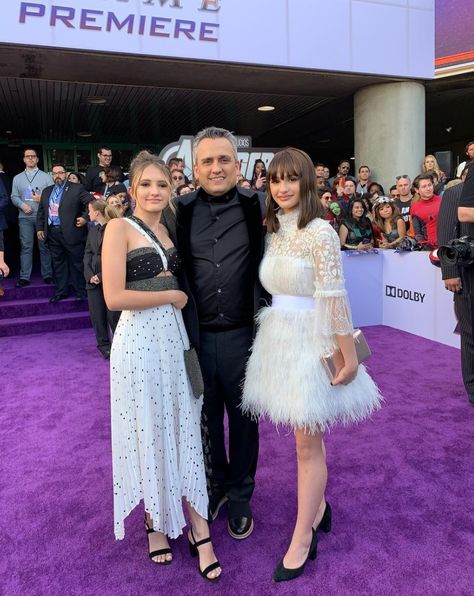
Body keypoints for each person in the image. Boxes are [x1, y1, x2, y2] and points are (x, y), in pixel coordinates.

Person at [241, 147, 382, 582]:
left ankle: (303, 537)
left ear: (307, 182)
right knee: (304, 439)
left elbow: (334, 296)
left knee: (306, 442)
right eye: (275, 180)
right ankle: (319, 508)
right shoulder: (274, 229)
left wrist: (349, 356)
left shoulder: (320, 231)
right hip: (277, 338)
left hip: (311, 339)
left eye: (291, 179)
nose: (282, 188)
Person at [102, 151, 221, 581]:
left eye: (163, 185)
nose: (155, 192)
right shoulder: (118, 228)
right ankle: (156, 523)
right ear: (132, 189)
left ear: (171, 191)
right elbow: (114, 297)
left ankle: (197, 526)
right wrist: (169, 296)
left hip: (175, 341)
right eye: (146, 184)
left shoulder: (169, 229)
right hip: (137, 345)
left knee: (186, 427)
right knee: (149, 429)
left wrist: (177, 304)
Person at [170, 127, 265, 540]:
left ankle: (241, 496)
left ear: (238, 163)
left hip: (246, 335)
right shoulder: (181, 209)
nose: (216, 167)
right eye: (207, 161)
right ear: (195, 167)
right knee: (204, 421)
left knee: (245, 421)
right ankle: (216, 486)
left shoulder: (257, 204)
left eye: (223, 159)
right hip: (197, 338)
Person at [437, 166, 474, 405]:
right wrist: (449, 272)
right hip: (468, 271)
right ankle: (472, 386)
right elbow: (445, 233)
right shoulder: (455, 193)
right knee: (470, 331)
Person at [36, 164, 92, 302]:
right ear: (52, 175)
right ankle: (61, 292)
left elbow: (92, 202)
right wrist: (39, 228)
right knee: (58, 264)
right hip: (52, 232)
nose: (57, 176)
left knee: (77, 263)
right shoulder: (47, 191)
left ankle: (81, 292)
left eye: (60, 173)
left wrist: (85, 218)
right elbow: (42, 211)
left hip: (71, 232)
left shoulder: (76, 188)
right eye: (55, 173)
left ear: (66, 174)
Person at [83, 199, 122, 359]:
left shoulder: (114, 229)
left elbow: (117, 256)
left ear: (97, 212)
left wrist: (101, 276)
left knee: (114, 315)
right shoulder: (92, 230)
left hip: (111, 279)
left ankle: (121, 345)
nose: (88, 214)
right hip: (92, 281)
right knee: (97, 315)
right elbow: (87, 254)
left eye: (90, 210)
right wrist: (89, 275)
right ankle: (105, 347)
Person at [10, 148, 53, 287]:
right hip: (24, 217)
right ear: (24, 159)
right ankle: (24, 277)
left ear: (37, 159)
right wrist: (22, 205)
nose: (30, 159)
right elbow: (13, 196)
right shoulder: (17, 178)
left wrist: (42, 199)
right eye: (27, 156)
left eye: (33, 156)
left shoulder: (46, 177)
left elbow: (53, 196)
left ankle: (47, 275)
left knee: (44, 246)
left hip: (42, 217)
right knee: (26, 247)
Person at [409, 174, 441, 249]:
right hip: (430, 248)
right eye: (424, 186)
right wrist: (424, 247)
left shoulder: (444, 200)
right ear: (417, 190)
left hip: (448, 244)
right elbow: (418, 233)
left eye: (429, 185)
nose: (428, 188)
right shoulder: (415, 208)